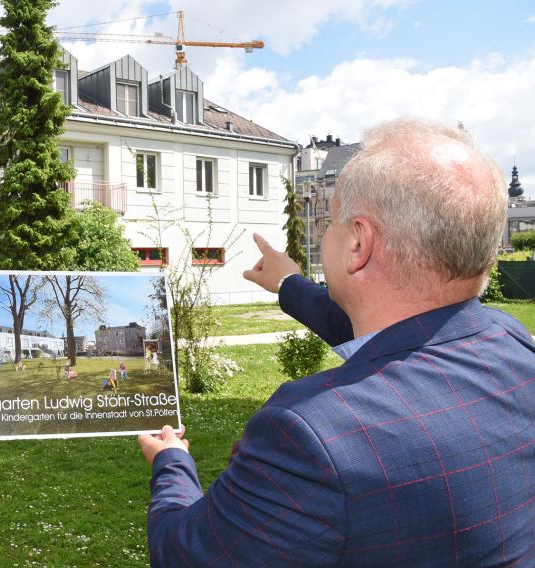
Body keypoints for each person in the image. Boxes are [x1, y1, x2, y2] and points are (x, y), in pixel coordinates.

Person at [139, 118, 535, 566]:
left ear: (358, 243)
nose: (323, 230)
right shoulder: (514, 345)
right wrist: (288, 282)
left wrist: (171, 463)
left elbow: (185, 555)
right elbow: (387, 336)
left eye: (330, 220)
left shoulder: (310, 435)